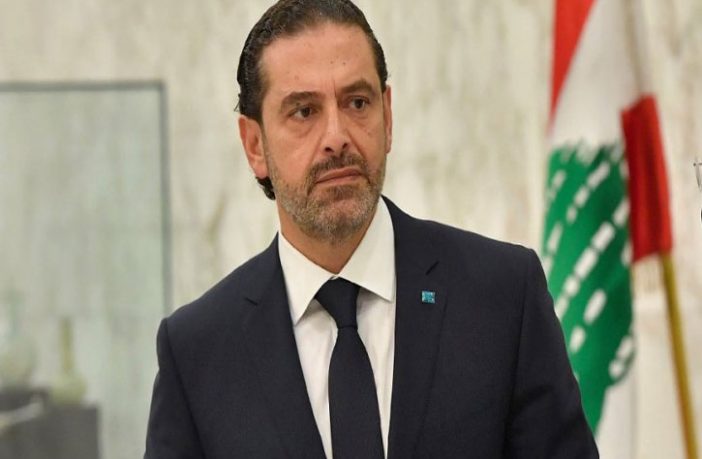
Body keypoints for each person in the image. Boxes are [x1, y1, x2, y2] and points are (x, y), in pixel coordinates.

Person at [144, 0, 599, 458]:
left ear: (388, 116)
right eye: (304, 111)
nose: (337, 137)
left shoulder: (502, 295)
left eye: (357, 103)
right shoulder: (197, 352)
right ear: (255, 145)